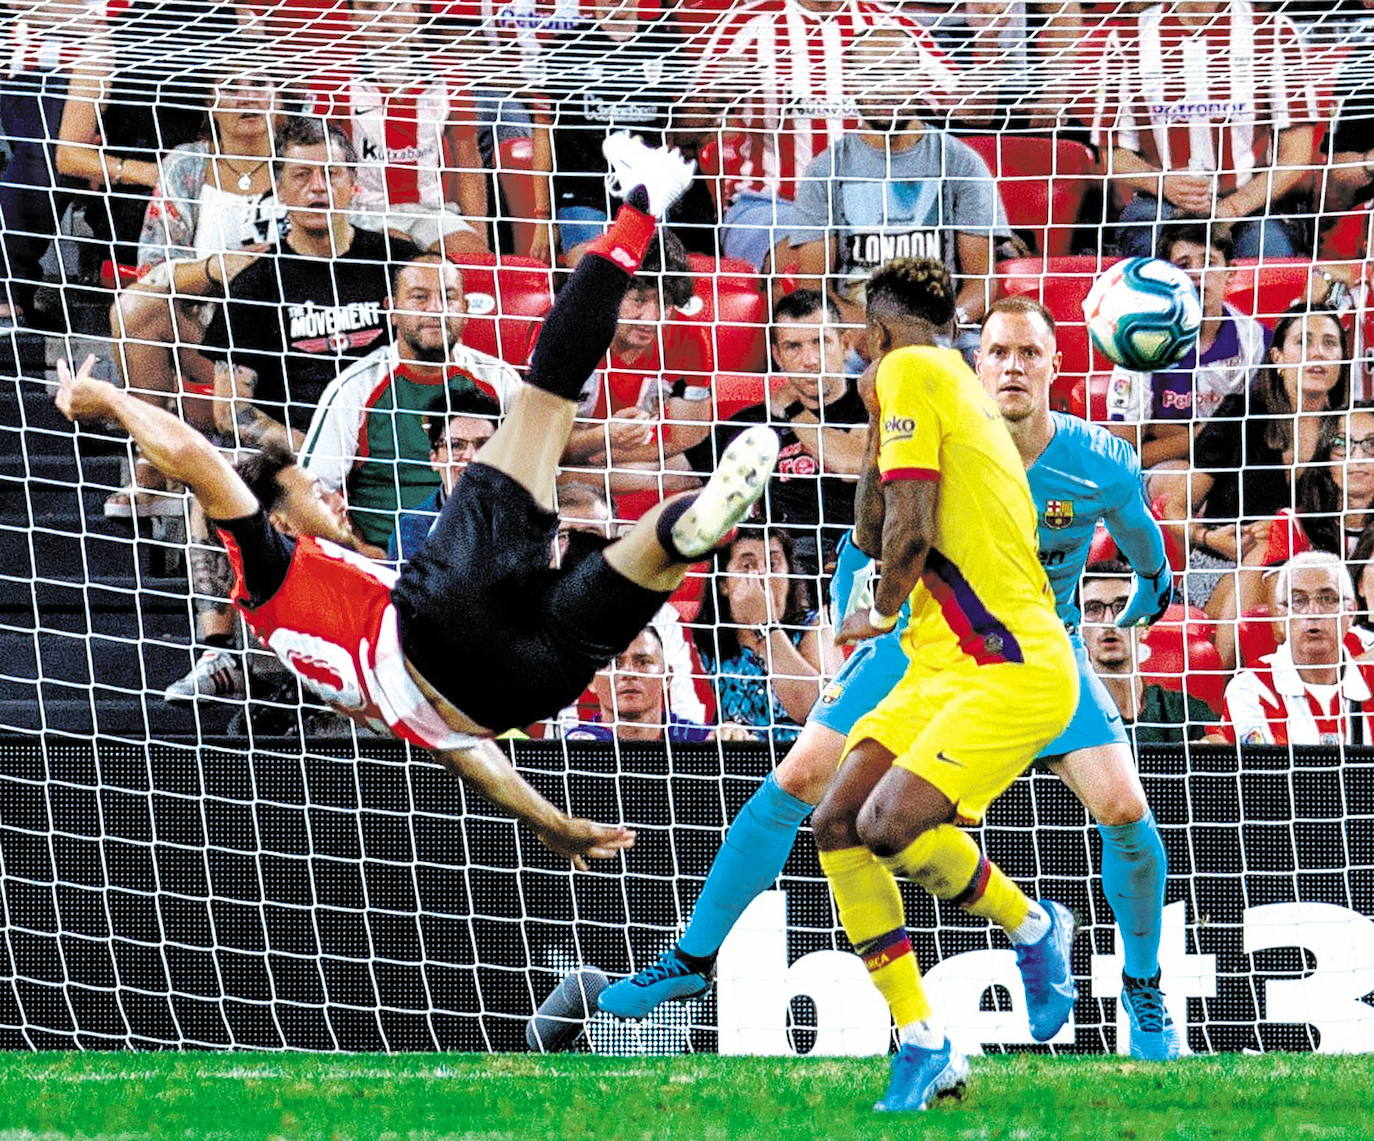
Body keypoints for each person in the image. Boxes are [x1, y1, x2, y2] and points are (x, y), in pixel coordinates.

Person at [55, 133, 780, 869]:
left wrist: (550, 819)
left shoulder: (310, 604)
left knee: (644, 559)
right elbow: (198, 458)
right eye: (311, 492)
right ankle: (641, 206)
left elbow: (461, 747)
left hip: (507, 696)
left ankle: (687, 532)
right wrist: (109, 395)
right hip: (433, 623)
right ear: (273, 517)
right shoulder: (270, 571)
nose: (330, 500)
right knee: (542, 404)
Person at [599, 284, 1183, 1085]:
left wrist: (1152, 593)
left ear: (1058, 365)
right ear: (976, 361)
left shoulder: (1100, 462)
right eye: (998, 352)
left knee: (1124, 810)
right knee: (802, 779)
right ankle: (689, 958)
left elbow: (1145, 545)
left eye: (1029, 353)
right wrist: (854, 614)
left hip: (1034, 648)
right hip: (916, 640)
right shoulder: (941, 419)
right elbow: (867, 534)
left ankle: (1144, 989)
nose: (1011, 366)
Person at [105, 63, 291, 518]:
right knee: (135, 308)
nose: (247, 97)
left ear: (281, 100)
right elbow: (153, 269)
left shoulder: (309, 158)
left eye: (259, 84)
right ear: (211, 103)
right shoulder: (186, 164)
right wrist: (217, 267)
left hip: (295, 330)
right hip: (207, 336)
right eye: (231, 87)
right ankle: (153, 463)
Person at [680, 0, 964, 271]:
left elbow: (971, 111)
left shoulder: (894, 29)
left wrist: (988, 38)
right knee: (802, 265)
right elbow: (681, 132)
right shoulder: (744, 24)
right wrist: (714, 96)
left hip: (879, 209)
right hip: (772, 205)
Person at [198, 115, 423, 449]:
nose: (318, 187)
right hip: (299, 465)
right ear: (279, 188)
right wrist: (315, 451)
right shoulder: (255, 284)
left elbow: (440, 361)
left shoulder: (401, 264)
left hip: (399, 442)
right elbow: (231, 412)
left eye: (331, 173)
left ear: (353, 183)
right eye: (301, 175)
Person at [787, 26, 1008, 351]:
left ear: (920, 80)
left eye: (898, 72)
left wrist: (951, 323)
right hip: (858, 338)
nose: (885, 86)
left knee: (982, 361)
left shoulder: (961, 162)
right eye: (873, 74)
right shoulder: (824, 170)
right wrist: (870, 334)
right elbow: (814, 287)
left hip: (946, 334)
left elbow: (983, 281)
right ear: (850, 82)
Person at [299, 253, 522, 548]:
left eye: (449, 297)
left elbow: (533, 477)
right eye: (419, 297)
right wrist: (359, 550)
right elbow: (309, 493)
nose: (436, 309)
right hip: (383, 563)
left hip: (482, 554)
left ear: (465, 308)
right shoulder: (356, 387)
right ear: (392, 310)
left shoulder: (500, 380)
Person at [1087, 0, 1321, 261]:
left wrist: (1232, 208)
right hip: (1160, 202)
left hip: (1250, 203)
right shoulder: (1127, 38)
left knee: (1267, 252)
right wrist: (1162, 183)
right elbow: (1113, 154)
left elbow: (1296, 157)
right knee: (1151, 248)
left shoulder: (1272, 32)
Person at [683, 289, 869, 577]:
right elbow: (672, 470)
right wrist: (597, 450)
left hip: (859, 558)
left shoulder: (872, 403)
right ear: (777, 355)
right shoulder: (754, 421)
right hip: (780, 567)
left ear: (845, 344)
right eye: (793, 346)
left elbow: (851, 462)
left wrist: (793, 411)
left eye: (820, 342)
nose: (809, 359)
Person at [314, 0, 494, 259]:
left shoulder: (450, 75)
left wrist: (477, 235)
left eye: (396, 6)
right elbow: (320, 164)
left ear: (415, 12)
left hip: (434, 211)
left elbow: (468, 163)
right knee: (401, 254)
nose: (385, 16)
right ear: (352, 18)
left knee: (472, 259)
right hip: (363, 211)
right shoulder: (333, 79)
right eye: (370, 7)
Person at [1105, 220, 1267, 469]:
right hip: (1164, 471)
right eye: (1183, 265)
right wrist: (1207, 435)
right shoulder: (1138, 342)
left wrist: (1162, 431)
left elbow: (1261, 437)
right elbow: (1122, 458)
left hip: (1234, 469)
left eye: (1209, 263)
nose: (1197, 275)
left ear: (1230, 273)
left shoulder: (1256, 341)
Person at [691, 528, 837, 744]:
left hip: (802, 760)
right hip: (733, 761)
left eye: (773, 564)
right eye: (747, 566)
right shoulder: (701, 640)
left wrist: (765, 626)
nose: (762, 575)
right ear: (723, 584)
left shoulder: (816, 624)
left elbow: (823, 712)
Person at [1216, 551, 1374, 745]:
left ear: (1351, 612)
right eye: (1299, 601)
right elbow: (1266, 773)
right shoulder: (1250, 689)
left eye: (1327, 599)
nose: (1313, 613)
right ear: (1281, 615)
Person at [1081, 559, 1216, 746]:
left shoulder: (1185, 712)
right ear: (1078, 628)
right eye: (1093, 609)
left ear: (1145, 625)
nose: (1110, 621)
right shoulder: (1068, 718)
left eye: (1123, 608)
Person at [564, 626, 749, 743]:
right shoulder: (579, 746)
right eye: (615, 664)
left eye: (643, 662)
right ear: (590, 681)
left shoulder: (700, 739)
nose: (629, 673)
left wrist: (736, 739)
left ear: (667, 677)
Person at [387, 393, 500, 565]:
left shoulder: (527, 516)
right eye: (455, 445)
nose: (472, 457)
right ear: (434, 459)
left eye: (483, 444)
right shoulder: (413, 529)